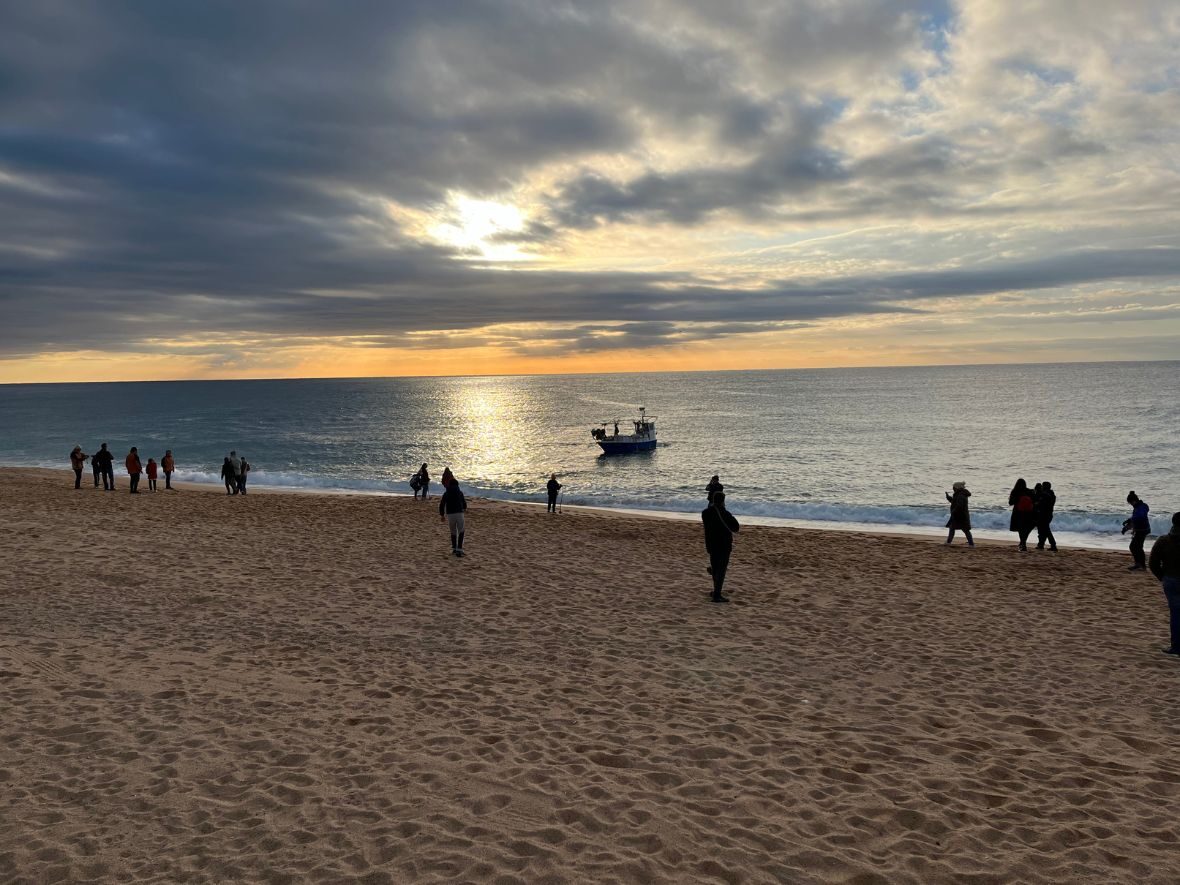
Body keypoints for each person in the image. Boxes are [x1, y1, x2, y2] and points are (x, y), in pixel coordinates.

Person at [1149, 512, 1180, 656]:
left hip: (1171, 579)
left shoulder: (1164, 540)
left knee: (1176, 614)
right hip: (1171, 579)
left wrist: (1162, 577)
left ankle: (1176, 647)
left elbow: (1153, 563)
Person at [702, 491, 740, 603]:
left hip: (711, 544)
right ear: (723, 501)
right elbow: (736, 527)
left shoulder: (705, 513)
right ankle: (717, 595)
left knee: (715, 566)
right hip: (724, 544)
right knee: (721, 570)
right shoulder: (725, 513)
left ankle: (715, 590)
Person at [439, 477, 468, 556]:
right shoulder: (460, 492)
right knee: (461, 530)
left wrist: (442, 515)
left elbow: (442, 504)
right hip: (459, 513)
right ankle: (459, 549)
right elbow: (464, 502)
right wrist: (465, 508)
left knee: (453, 531)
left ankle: (454, 549)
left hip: (450, 514)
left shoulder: (446, 493)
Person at [1123, 491, 1152, 571]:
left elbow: (1140, 517)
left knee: (1133, 547)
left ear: (1133, 501)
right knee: (1138, 547)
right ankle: (1142, 565)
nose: (1131, 505)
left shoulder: (1142, 507)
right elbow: (1136, 518)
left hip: (1142, 530)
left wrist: (1130, 521)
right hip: (1142, 529)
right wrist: (1127, 525)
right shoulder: (1139, 506)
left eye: (1130, 503)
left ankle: (1139, 564)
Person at [1008, 478, 1036, 552]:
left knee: (1020, 529)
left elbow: (1010, 503)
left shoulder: (1015, 492)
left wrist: (1017, 499)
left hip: (1018, 512)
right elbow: (1034, 501)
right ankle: (1023, 543)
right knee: (1026, 529)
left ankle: (1023, 544)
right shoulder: (1029, 491)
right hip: (1029, 513)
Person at [944, 481, 974, 546]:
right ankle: (971, 544)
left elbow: (959, 506)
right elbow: (955, 502)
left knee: (964, 530)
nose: (953, 489)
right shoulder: (959, 494)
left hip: (960, 516)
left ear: (957, 488)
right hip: (960, 515)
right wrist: (949, 498)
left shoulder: (960, 495)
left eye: (954, 487)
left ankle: (971, 544)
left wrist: (954, 511)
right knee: (954, 528)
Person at [1034, 481, 1058, 551]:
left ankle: (1053, 545)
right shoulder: (1051, 495)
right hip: (1048, 515)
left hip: (1044, 515)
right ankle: (1041, 544)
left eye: (1043, 486)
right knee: (1043, 530)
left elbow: (1042, 504)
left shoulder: (1045, 495)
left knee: (1045, 530)